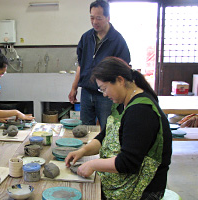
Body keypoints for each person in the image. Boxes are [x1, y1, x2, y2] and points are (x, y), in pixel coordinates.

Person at [65, 57, 172, 200]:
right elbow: (106, 135)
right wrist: (83, 151)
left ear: (120, 80)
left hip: (142, 187)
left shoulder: (141, 111)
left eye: (104, 88)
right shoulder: (123, 102)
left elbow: (128, 162)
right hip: (123, 176)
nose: (104, 94)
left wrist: (93, 164)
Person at [68, 0, 131, 130]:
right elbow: (81, 65)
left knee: (108, 129)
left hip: (107, 95)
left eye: (99, 18)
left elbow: (125, 70)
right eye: (92, 18)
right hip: (86, 91)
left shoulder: (118, 40)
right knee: (84, 129)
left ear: (108, 18)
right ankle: (87, 151)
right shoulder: (86, 38)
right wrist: (74, 87)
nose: (94, 22)